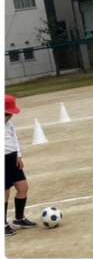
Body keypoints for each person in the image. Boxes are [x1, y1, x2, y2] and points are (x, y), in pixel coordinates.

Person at [5, 95, 37, 237]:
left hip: (13, 158)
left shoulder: (9, 123)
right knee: (4, 192)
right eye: (7, 113)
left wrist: (18, 156)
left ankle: (19, 218)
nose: (10, 115)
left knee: (23, 187)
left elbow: (15, 139)